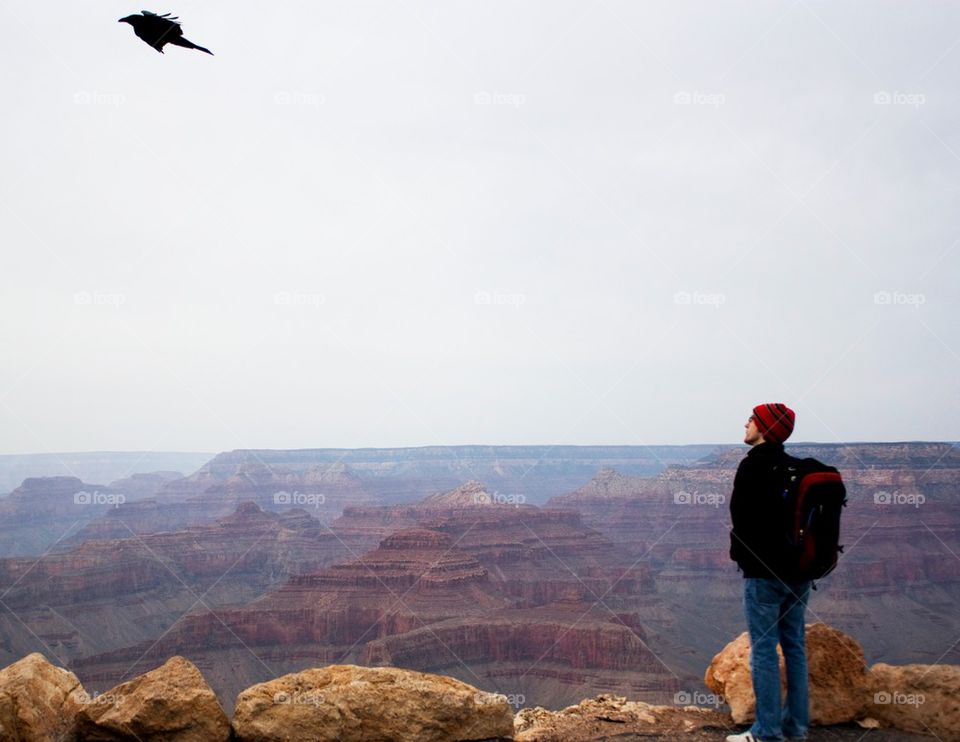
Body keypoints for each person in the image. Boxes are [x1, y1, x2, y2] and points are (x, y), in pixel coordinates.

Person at [726, 403, 810, 742]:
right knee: (794, 647)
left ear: (764, 428)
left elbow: (740, 518)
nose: (745, 423)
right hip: (800, 574)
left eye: (752, 419)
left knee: (763, 649)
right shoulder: (794, 467)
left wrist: (742, 557)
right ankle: (796, 728)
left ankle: (766, 732)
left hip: (763, 575)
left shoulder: (752, 466)